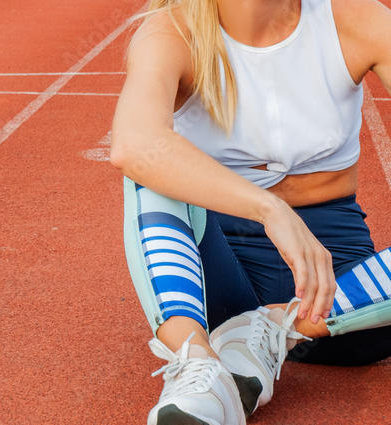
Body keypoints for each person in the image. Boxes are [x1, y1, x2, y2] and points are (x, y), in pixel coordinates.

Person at [110, 0, 391, 423]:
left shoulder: (357, 18)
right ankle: (197, 364)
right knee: (148, 165)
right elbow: (132, 143)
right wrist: (270, 209)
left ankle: (274, 329)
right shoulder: (172, 31)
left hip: (337, 301)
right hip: (216, 285)